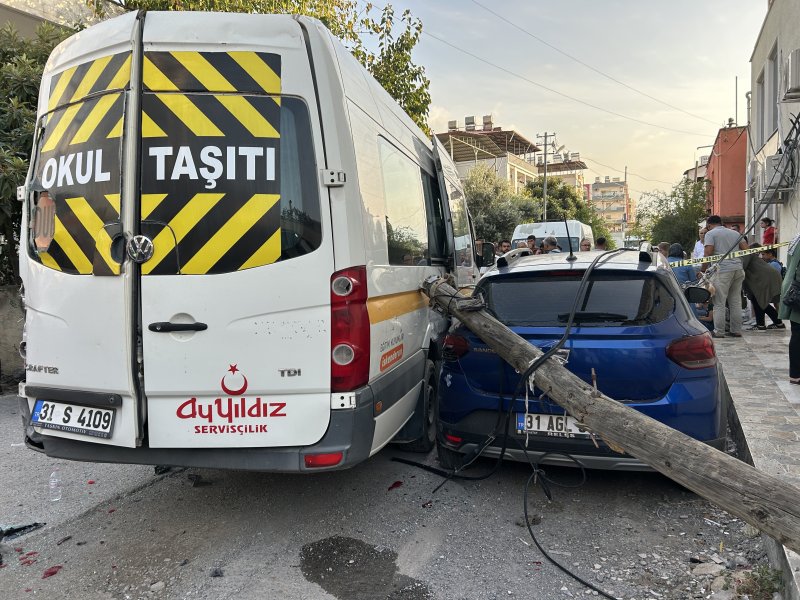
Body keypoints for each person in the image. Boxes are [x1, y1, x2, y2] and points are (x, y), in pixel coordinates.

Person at [701, 215, 748, 339]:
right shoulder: (735, 233)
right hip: (738, 269)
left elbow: (708, 253)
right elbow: (746, 249)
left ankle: (719, 331)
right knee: (735, 301)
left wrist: (703, 269)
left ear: (709, 225)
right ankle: (736, 330)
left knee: (719, 302)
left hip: (722, 271)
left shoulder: (710, 234)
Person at [742, 252, 784, 330]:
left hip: (766, 279)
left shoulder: (746, 254)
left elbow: (742, 267)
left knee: (759, 301)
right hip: (765, 278)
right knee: (760, 301)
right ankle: (777, 323)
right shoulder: (747, 254)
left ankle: (761, 325)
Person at [778, 232, 800, 384]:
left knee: (797, 333)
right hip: (797, 290)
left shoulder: (796, 238)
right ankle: (796, 374)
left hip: (793, 289)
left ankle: (795, 374)